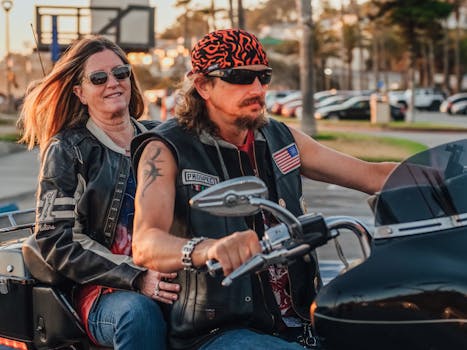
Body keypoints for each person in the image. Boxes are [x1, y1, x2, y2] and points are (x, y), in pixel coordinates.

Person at [130, 29, 397, 350]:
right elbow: (145, 244)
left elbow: (371, 174)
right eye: (241, 77)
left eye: (263, 76)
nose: (257, 88)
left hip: (302, 317)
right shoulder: (167, 148)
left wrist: (446, 174)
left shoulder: (279, 138)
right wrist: (209, 249)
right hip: (218, 329)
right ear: (203, 85)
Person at [19, 36, 179, 350]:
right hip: (105, 291)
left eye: (121, 74)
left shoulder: (162, 138)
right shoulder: (68, 149)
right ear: (80, 92)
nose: (113, 83)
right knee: (138, 314)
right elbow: (54, 240)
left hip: (172, 275)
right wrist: (135, 277)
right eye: (98, 78)